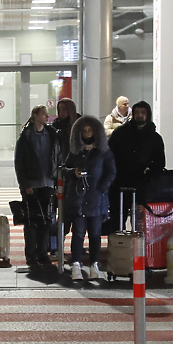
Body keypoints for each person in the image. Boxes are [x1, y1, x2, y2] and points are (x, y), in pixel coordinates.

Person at [63, 115, 116, 280]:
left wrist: (101, 188)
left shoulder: (103, 152)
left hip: (96, 199)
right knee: (78, 233)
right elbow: (64, 169)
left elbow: (111, 172)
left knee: (95, 234)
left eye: (90, 130)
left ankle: (94, 264)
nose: (87, 133)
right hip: (78, 199)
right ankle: (76, 264)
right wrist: (73, 173)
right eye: (84, 130)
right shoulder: (75, 152)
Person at [107, 100, 166, 231]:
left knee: (141, 219)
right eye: (137, 112)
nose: (140, 115)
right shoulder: (120, 134)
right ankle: (118, 246)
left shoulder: (154, 138)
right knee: (117, 218)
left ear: (148, 114)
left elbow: (160, 162)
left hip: (144, 184)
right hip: (120, 182)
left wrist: (149, 172)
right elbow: (109, 155)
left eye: (143, 112)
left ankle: (139, 247)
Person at [14, 105, 61, 267]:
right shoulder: (26, 137)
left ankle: (43, 252)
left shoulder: (52, 134)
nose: (47, 116)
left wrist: (57, 181)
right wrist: (25, 184)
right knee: (31, 221)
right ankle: (31, 254)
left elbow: (57, 158)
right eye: (43, 114)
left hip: (48, 182)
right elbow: (19, 163)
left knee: (46, 221)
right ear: (35, 115)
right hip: (32, 184)